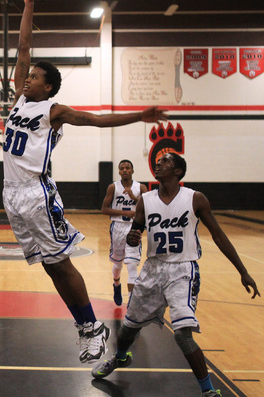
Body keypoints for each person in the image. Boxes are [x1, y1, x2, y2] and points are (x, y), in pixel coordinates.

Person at [2, 0, 169, 364]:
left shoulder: (52, 111)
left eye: (34, 78)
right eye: (27, 76)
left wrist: (138, 116)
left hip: (35, 192)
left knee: (60, 263)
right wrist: (27, 2)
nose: (26, 78)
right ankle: (87, 327)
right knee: (50, 267)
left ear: (48, 89)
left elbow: (94, 119)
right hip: (10, 195)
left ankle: (90, 327)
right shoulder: (18, 102)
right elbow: (24, 46)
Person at [91, 153, 260, 397]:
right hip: (153, 268)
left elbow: (219, 235)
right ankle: (119, 357)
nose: (158, 164)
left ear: (178, 171)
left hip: (183, 270)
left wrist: (243, 271)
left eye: (165, 162)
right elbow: (135, 232)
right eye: (157, 162)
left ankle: (208, 390)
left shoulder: (195, 199)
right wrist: (132, 237)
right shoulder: (146, 200)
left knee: (182, 333)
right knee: (128, 328)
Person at [101, 159, 148, 306]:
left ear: (132, 170)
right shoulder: (113, 187)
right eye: (122, 168)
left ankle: (132, 302)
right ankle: (116, 284)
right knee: (118, 263)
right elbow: (104, 209)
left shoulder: (141, 187)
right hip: (118, 226)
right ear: (119, 172)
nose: (125, 170)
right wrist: (125, 212)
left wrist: (134, 198)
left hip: (134, 227)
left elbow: (149, 205)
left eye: (128, 168)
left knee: (132, 264)